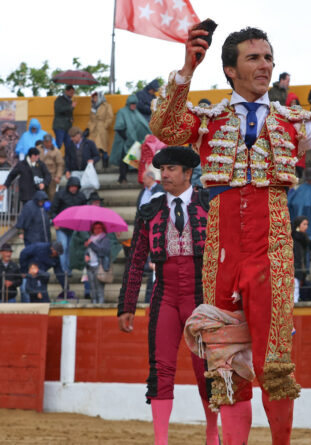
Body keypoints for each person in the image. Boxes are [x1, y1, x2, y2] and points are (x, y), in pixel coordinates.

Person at [150, 25, 311, 443]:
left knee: (275, 362)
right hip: (221, 249)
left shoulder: (296, 122)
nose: (266, 65)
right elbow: (165, 126)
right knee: (227, 361)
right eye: (254, 58)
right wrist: (186, 70)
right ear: (230, 69)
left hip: (272, 250)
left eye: (269, 57)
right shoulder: (207, 120)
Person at [117, 147, 219, 445]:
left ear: (188, 173)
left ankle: (212, 434)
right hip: (164, 295)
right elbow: (135, 261)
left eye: (172, 169)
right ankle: (160, 440)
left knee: (206, 370)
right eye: (162, 170)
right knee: (161, 368)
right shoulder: (150, 210)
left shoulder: (209, 203)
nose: (164, 174)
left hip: (202, 295)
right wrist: (127, 305)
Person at [109, 94, 151, 183]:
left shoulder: (136, 112)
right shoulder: (122, 111)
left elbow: (143, 125)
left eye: (135, 104)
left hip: (134, 141)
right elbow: (119, 127)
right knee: (124, 159)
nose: (133, 105)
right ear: (128, 103)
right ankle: (122, 178)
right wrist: (127, 138)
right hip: (123, 140)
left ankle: (134, 177)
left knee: (133, 158)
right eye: (132, 104)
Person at [51, 177, 88, 275]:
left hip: (74, 227)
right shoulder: (60, 194)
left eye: (75, 187)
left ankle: (68, 269)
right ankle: (64, 270)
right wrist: (55, 222)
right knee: (63, 246)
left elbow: (84, 211)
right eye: (72, 186)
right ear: (68, 186)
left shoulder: (81, 196)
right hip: (62, 225)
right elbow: (53, 210)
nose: (74, 188)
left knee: (70, 248)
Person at [83, 222, 112, 304]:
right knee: (92, 287)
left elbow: (102, 252)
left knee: (99, 288)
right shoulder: (90, 238)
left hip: (99, 266)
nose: (97, 230)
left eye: (99, 228)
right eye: (95, 228)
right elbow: (88, 251)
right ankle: (94, 303)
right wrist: (86, 255)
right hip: (89, 265)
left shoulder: (105, 239)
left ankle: (100, 304)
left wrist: (91, 244)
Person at [87, 91, 114, 169]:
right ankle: (94, 164)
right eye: (93, 97)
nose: (94, 99)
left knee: (102, 147)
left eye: (96, 97)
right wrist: (89, 127)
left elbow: (110, 117)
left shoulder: (106, 106)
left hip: (102, 128)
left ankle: (105, 163)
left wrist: (105, 125)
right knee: (94, 147)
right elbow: (91, 119)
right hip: (94, 129)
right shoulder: (93, 107)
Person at [291, 216, 311, 302]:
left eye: (307, 224)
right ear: (298, 226)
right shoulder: (294, 239)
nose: (306, 226)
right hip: (295, 269)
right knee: (294, 291)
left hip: (301, 269)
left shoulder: (304, 238)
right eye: (304, 224)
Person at [41, 134, 65, 201]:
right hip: (40, 175)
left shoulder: (56, 151)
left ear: (51, 142)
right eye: (46, 142)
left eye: (49, 142)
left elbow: (60, 164)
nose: (47, 144)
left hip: (51, 175)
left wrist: (58, 176)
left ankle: (51, 210)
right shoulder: (39, 149)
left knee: (51, 194)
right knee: (40, 194)